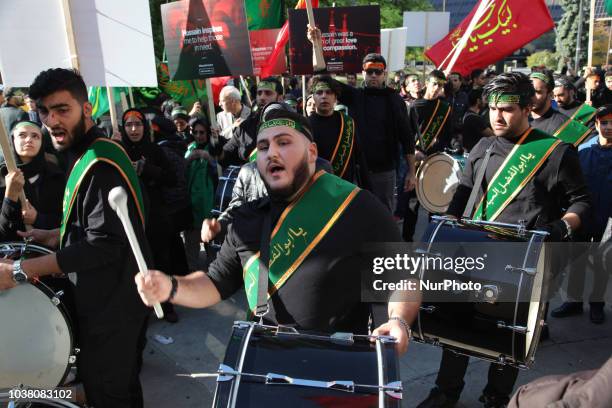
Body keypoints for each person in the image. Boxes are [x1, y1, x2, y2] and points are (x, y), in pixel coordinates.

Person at [137, 106, 418, 358]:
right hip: (263, 367)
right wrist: (170, 287)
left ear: (311, 153)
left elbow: (404, 277)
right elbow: (214, 283)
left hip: (337, 373)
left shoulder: (355, 206)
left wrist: (399, 320)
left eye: (283, 142)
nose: (271, 152)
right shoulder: (246, 219)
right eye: (262, 146)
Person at [418, 72, 591, 408]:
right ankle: (446, 391)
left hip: (521, 258)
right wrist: (448, 223)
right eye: (493, 108)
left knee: (506, 335)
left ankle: (496, 396)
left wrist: (561, 227)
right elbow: (463, 195)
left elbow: (582, 201)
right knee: (458, 326)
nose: (497, 116)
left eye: (508, 109)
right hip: (475, 251)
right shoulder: (482, 147)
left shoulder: (554, 153)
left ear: (528, 108)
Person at [0, 68, 151, 407]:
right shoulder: (92, 152)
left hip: (112, 307)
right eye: (44, 111)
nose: (51, 120)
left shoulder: (99, 163)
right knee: (122, 391)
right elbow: (105, 227)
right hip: (118, 300)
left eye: (62, 109)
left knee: (107, 396)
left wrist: (22, 270)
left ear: (86, 109)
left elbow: (104, 245)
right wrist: (58, 234)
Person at [551, 104, 612, 324]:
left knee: (603, 260)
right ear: (596, 124)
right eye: (604, 122)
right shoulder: (583, 149)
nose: (608, 127)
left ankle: (597, 303)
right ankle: (574, 301)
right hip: (584, 214)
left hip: (609, 218)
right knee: (576, 257)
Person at [120, 108, 179, 323]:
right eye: (129, 125)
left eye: (138, 124)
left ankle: (167, 304)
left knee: (161, 260)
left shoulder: (155, 150)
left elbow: (171, 179)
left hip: (156, 215)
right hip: (131, 217)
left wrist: (147, 169)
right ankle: (141, 307)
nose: (134, 129)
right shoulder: (118, 150)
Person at [0, 121, 65, 238]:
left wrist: (37, 218)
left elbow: (67, 220)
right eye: (22, 135)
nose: (29, 140)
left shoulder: (55, 175)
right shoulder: (2, 175)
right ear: (12, 140)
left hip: (48, 251)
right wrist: (10, 197)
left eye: (35, 136)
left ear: (42, 143)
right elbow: (3, 232)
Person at [308, 75, 370, 187]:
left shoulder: (347, 123)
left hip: (345, 188)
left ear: (335, 97)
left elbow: (359, 157)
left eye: (329, 92)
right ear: (313, 96)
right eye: (319, 92)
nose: (324, 96)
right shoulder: (305, 125)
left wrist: (367, 188)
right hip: (316, 188)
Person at [213, 77, 284, 167]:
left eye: (268, 93)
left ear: (280, 98)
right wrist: (217, 147)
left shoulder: (294, 125)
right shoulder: (244, 127)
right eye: (259, 93)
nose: (262, 97)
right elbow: (226, 155)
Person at [184, 117, 217, 271]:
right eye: (195, 132)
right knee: (191, 249)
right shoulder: (190, 149)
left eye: (202, 132)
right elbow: (182, 172)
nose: (198, 135)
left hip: (209, 206)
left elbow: (220, 167)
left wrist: (208, 157)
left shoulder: (214, 148)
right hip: (192, 206)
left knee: (213, 249)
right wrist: (192, 158)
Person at [530, 71, 592, 146]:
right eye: (554, 96)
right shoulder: (524, 119)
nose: (557, 100)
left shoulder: (564, 123)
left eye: (538, 92)